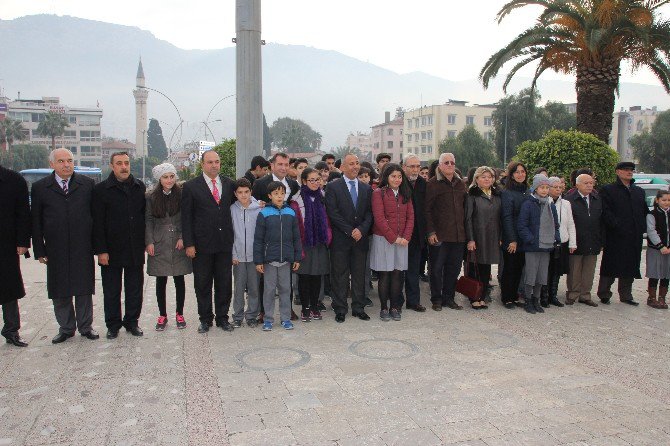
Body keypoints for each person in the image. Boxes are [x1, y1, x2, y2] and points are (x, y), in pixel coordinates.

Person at [31, 148, 98, 343]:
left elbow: (95, 217)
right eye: (61, 161)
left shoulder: (86, 184)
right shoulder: (41, 187)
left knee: (84, 287)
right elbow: (36, 221)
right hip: (55, 246)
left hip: (82, 245)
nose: (66, 164)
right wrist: (39, 249)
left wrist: (97, 245)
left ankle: (86, 326)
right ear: (52, 164)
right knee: (60, 289)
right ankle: (66, 328)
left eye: (69, 160)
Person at [181, 150, 236, 333]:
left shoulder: (229, 184)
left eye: (217, 162)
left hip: (224, 244)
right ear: (202, 164)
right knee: (202, 284)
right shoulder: (191, 187)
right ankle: (205, 319)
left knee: (224, 283)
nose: (214, 165)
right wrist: (189, 243)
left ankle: (223, 318)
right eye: (210, 162)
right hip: (201, 245)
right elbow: (186, 217)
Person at [93, 152, 146, 338]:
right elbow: (97, 223)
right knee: (111, 290)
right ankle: (113, 325)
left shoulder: (139, 187)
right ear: (112, 166)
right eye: (119, 163)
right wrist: (101, 250)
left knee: (134, 289)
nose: (124, 167)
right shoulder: (100, 190)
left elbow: (143, 218)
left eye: (127, 163)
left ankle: (132, 322)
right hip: (111, 250)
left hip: (134, 249)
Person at [325, 153, 373, 322]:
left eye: (357, 163)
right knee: (340, 275)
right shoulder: (333, 187)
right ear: (343, 167)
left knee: (359, 274)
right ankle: (340, 308)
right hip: (341, 239)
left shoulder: (366, 188)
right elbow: (333, 212)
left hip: (360, 239)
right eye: (351, 164)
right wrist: (349, 230)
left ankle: (358, 307)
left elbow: (369, 213)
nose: (355, 166)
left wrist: (361, 229)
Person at [145, 163, 192, 331]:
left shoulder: (182, 195)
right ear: (159, 179)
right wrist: (149, 241)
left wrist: (183, 237)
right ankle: (162, 314)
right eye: (165, 177)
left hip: (178, 242)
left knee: (179, 278)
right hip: (160, 242)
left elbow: (186, 217)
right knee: (161, 279)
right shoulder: (151, 197)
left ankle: (180, 313)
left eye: (172, 176)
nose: (169, 180)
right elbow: (148, 220)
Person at [597, 161, 648, 306]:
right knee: (610, 265)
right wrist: (616, 225)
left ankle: (626, 295)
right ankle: (604, 293)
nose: (629, 172)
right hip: (616, 235)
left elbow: (643, 211)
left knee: (630, 265)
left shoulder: (638, 191)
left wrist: (642, 227)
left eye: (631, 170)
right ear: (618, 172)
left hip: (634, 236)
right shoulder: (608, 189)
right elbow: (605, 211)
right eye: (625, 169)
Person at [254, 181, 302, 331]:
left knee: (285, 289)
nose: (280, 196)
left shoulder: (291, 212)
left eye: (282, 193)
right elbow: (258, 239)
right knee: (268, 290)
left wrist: (297, 257)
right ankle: (268, 319)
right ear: (270, 196)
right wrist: (258, 260)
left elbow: (296, 237)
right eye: (276, 194)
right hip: (269, 260)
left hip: (286, 260)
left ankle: (285, 318)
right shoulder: (264, 213)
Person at [371, 164, 414, 321]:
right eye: (393, 176)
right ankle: (383, 308)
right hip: (383, 239)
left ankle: (395, 307)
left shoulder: (405, 193)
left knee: (397, 274)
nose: (397, 179)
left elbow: (411, 217)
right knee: (385, 274)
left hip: (402, 240)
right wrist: (393, 237)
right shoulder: (378, 193)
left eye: (399, 176)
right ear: (386, 178)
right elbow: (379, 218)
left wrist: (406, 237)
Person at [425, 152, 467, 311]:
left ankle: (449, 298)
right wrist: (430, 232)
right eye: (446, 163)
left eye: (452, 162)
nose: (450, 165)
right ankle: (436, 299)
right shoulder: (432, 184)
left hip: (458, 235)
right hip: (439, 235)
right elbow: (427, 211)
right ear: (440, 165)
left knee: (454, 268)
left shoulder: (461, 183)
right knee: (436, 269)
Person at [290, 168, 331, 321]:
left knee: (317, 276)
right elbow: (295, 225)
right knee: (304, 276)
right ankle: (305, 308)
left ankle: (314, 306)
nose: (315, 183)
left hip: (320, 242)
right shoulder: (297, 200)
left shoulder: (323, 197)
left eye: (317, 180)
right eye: (311, 180)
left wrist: (328, 236)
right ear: (304, 182)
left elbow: (328, 220)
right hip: (304, 243)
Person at [517, 174, 560, 314]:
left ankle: (536, 299)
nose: (544, 190)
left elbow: (556, 225)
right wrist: (531, 239)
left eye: (547, 187)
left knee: (542, 275)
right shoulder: (528, 204)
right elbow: (522, 226)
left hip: (546, 246)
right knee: (531, 274)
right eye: (542, 187)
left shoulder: (550, 205)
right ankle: (528, 299)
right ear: (535, 188)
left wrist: (556, 239)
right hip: (532, 246)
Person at [0, 164, 31, 347]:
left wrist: (23, 242)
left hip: (6, 245)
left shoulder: (13, 180)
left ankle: (11, 330)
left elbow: (23, 213)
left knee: (9, 288)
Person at [465, 166, 502, 309]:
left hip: (492, 236)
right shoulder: (472, 195)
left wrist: (501, 236)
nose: (487, 179)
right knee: (476, 267)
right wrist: (471, 239)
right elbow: (468, 219)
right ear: (477, 179)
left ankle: (483, 296)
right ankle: (474, 297)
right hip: (478, 236)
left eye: (489, 177)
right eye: (483, 177)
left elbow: (501, 218)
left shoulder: (497, 195)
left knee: (487, 268)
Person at [565, 174, 603, 307]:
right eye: (586, 183)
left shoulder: (597, 198)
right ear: (577, 185)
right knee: (574, 269)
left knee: (589, 270)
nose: (589, 186)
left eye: (591, 183)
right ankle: (572, 294)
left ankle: (585, 295)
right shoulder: (569, 199)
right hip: (576, 240)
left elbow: (601, 220)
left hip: (593, 240)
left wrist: (601, 240)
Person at [231, 178, 263, 327]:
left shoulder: (259, 209)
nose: (243, 195)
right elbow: (230, 234)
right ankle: (237, 316)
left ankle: (251, 315)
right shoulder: (232, 209)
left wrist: (260, 255)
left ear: (251, 192)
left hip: (254, 256)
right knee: (238, 287)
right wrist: (233, 254)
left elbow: (262, 234)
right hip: (238, 257)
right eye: (240, 193)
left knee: (254, 287)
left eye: (246, 192)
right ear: (235, 194)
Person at [541, 176, 576, 308]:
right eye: (555, 187)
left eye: (560, 187)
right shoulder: (544, 202)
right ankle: (543, 297)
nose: (558, 190)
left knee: (557, 271)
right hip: (547, 242)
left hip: (562, 242)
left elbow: (571, 224)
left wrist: (573, 242)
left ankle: (553, 295)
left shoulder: (566, 204)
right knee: (546, 270)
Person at [500, 162, 530, 309]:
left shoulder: (528, 191)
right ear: (511, 175)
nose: (520, 174)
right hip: (511, 238)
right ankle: (507, 297)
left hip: (524, 238)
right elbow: (506, 217)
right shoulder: (507, 192)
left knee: (519, 268)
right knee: (510, 268)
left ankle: (515, 295)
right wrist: (512, 239)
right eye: (517, 172)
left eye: (523, 171)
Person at [401, 154, 427, 312]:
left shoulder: (424, 184)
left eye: (418, 166)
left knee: (413, 269)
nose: (415, 170)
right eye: (412, 166)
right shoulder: (397, 182)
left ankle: (413, 301)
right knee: (397, 270)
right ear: (404, 167)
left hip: (417, 234)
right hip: (398, 234)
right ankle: (396, 300)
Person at [645, 190, 670, 309]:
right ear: (657, 200)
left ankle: (662, 297)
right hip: (655, 249)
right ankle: (652, 297)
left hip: (669, 250)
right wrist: (660, 245)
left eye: (669, 200)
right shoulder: (652, 214)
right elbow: (651, 231)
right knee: (654, 272)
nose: (666, 202)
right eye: (664, 200)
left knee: (666, 273)